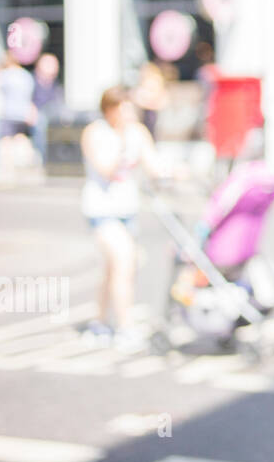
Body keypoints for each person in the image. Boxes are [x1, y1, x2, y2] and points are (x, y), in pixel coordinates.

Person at [80, 85, 173, 352]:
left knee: (111, 269)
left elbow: (153, 165)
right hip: (101, 210)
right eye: (125, 108)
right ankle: (125, 326)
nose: (130, 113)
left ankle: (98, 322)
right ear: (110, 109)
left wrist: (173, 172)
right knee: (124, 262)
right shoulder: (95, 133)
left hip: (126, 211)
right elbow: (105, 169)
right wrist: (122, 144)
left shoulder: (138, 133)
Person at [0, 52, 37, 170]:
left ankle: (7, 164)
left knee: (7, 139)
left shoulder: (5, 75)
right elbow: (30, 95)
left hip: (8, 112)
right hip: (23, 113)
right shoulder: (26, 76)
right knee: (21, 137)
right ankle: (26, 160)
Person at [31, 53, 65, 166]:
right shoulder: (32, 81)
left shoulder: (56, 84)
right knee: (41, 124)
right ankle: (44, 158)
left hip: (53, 113)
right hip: (37, 113)